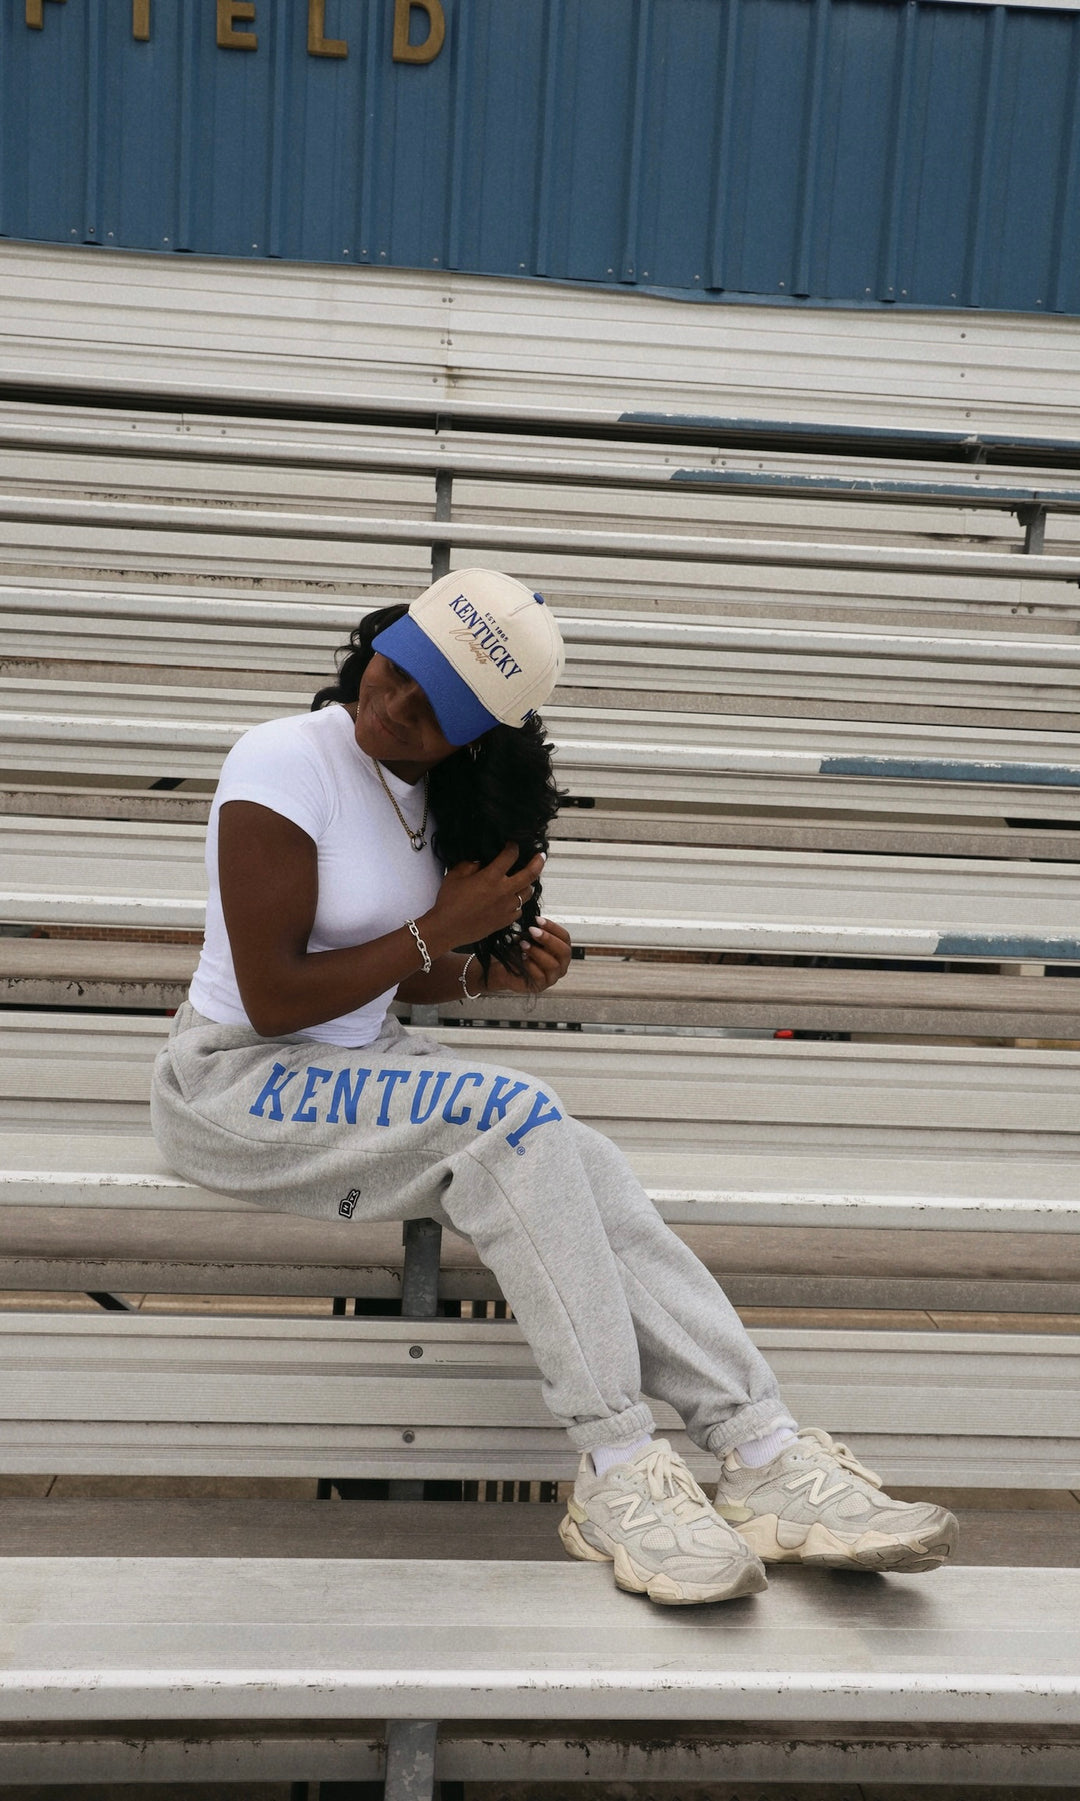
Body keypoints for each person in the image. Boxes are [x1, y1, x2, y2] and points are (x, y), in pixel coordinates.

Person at [151, 567, 958, 1607]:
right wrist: (438, 931)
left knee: (577, 1149)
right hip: (233, 1083)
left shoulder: (425, 791)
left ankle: (761, 1451)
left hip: (355, 1064)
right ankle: (619, 1467)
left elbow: (385, 972)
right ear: (382, 636)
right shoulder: (282, 757)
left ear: (474, 733)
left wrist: (485, 970)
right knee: (516, 1115)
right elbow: (270, 997)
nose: (394, 703)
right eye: (398, 664)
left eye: (433, 706)